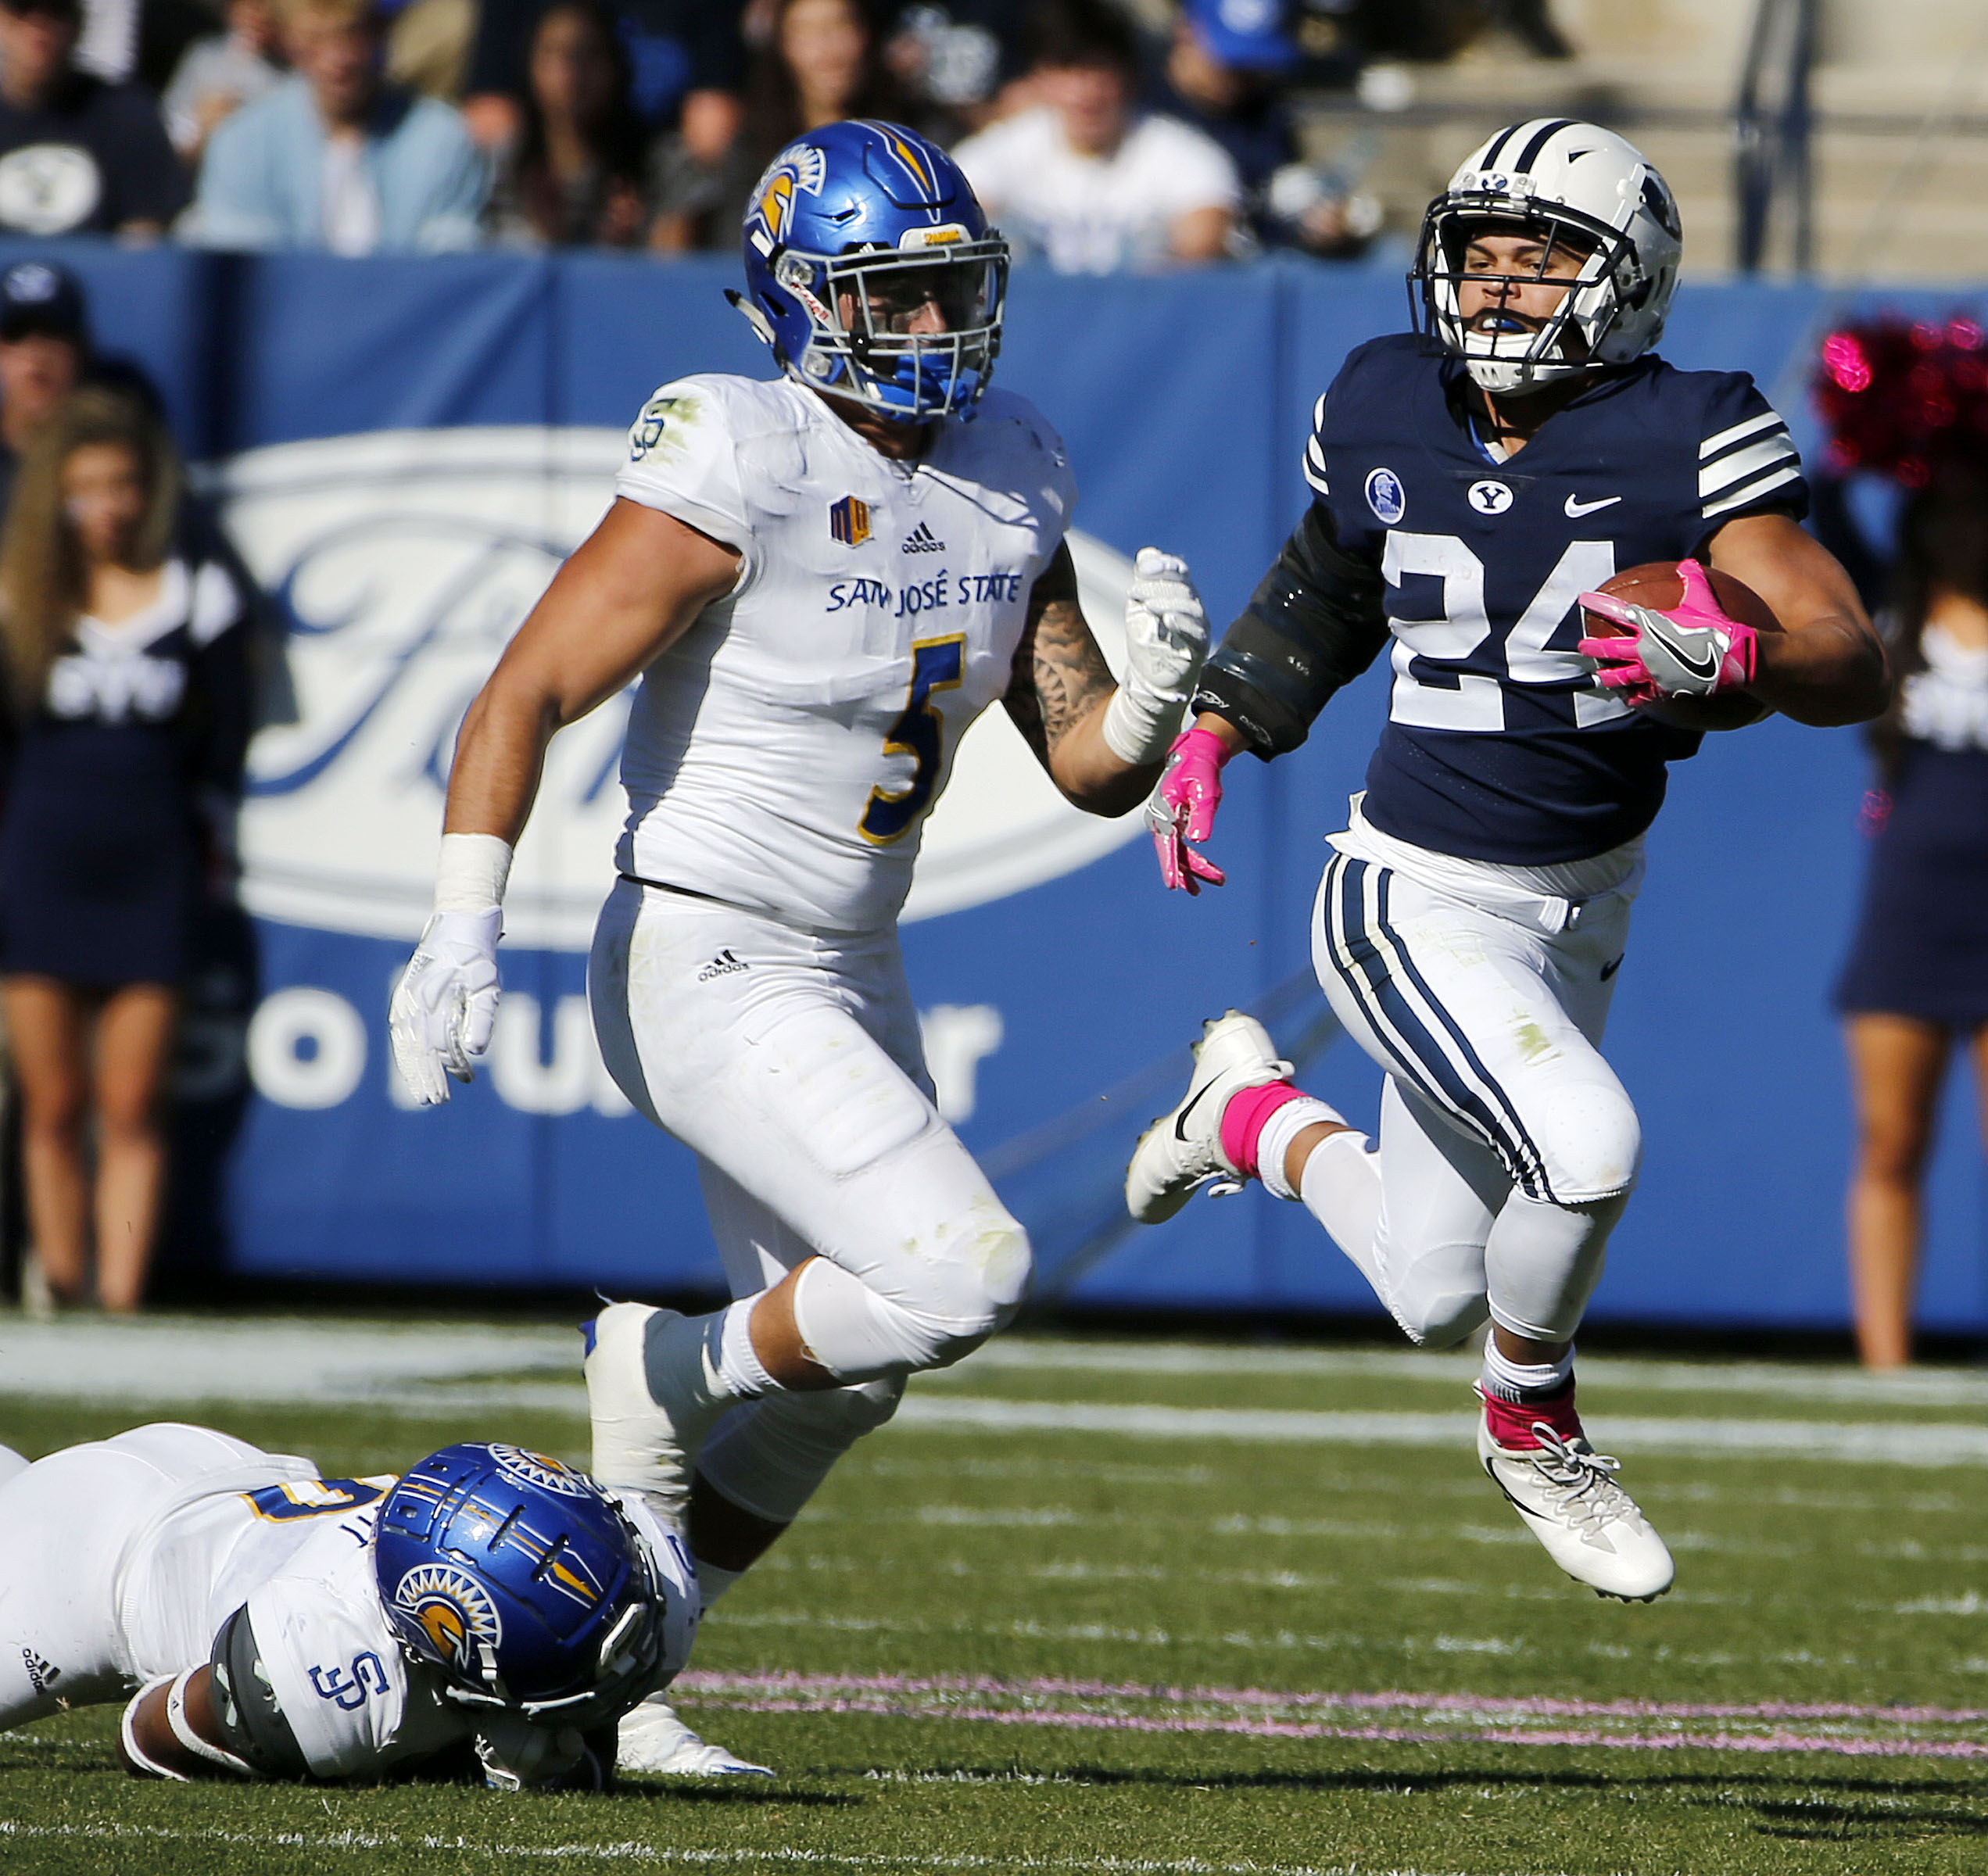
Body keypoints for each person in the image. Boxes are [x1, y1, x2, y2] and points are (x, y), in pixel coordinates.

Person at [388, 121, 1209, 1737]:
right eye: (889, 298)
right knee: (960, 1273)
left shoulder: (1012, 460)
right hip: (703, 943)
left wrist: (1165, 700)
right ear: (794, 300)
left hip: (850, 957)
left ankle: (601, 1690)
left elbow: (1084, 760)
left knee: (864, 1365)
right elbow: (527, 687)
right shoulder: (735, 450)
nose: (930, 330)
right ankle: (656, 1373)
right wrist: (459, 924)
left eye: (949, 291)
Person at [1125, 120, 1885, 1604]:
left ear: (1625, 280)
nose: (1494, 291)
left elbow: (1847, 656)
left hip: (1581, 903)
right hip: (1409, 890)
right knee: (1587, 1152)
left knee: (1428, 1289)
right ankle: (1529, 1420)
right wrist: (1219, 725)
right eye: (1477, 257)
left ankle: (1245, 1114)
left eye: (1540, 261)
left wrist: (1747, 653)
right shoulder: (1383, 395)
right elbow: (1327, 583)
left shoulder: (1691, 426)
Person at [0, 1430, 693, 1788]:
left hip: (222, 1474)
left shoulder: (487, 1534)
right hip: (85, 1575)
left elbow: (576, 1712)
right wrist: (447, 1751)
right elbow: (148, 1736)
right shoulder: (338, 1654)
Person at [0, 388, 253, 1314]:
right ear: (52, 498)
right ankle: (57, 1286)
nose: (106, 505)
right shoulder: (20, 596)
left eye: (122, 485)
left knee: (134, 1103)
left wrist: (208, 841)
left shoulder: (200, 593)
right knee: (53, 1103)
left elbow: (223, 742)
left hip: (152, 867)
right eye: (85, 487)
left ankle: (120, 1300)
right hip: (39, 866)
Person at [1835, 464, 1988, 1369]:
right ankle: (1883, 1367)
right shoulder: (1891, 614)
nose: (1962, 531)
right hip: (1910, 912)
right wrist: (1869, 432)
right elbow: (1822, 502)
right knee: (1890, 1140)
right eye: (1947, 510)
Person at [951, 0, 1239, 274]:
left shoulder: (1185, 155)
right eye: (1067, 71)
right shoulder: (999, 150)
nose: (1085, 93)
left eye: (1100, 71)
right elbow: (956, 224)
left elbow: (1202, 248)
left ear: (1128, 77)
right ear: (1040, 77)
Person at [186, 0, 487, 253]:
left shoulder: (443, 136)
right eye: (315, 40)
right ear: (288, 41)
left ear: (379, 33)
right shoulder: (242, 141)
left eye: (351, 35)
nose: (337, 59)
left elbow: (450, 257)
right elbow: (243, 258)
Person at [649, 0, 902, 255]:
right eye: (807, 31)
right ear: (782, 45)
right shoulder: (751, 149)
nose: (828, 49)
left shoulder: (903, 142)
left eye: (841, 25)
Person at [1155, 0, 1378, 259]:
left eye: (1256, 64)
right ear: (1186, 33)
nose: (1243, 76)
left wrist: (1315, 225)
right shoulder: (1137, 102)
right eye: (1231, 62)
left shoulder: (1264, 112)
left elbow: (1272, 209)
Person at [0, 0, 186, 237]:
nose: (38, 30)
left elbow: (144, 239)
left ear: (78, 24)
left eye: (56, 13)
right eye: (22, 12)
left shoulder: (128, 114)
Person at [483, 0, 647, 248]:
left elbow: (674, 271)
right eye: (553, 53)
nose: (572, 74)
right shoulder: (503, 167)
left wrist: (632, 240)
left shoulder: (652, 166)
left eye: (589, 54)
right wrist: (546, 233)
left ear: (616, 64)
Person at [160, 0, 286, 164]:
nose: (256, 16)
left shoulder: (284, 74)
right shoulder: (204, 56)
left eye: (264, 8)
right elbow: (168, 123)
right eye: (249, 6)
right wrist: (197, 123)